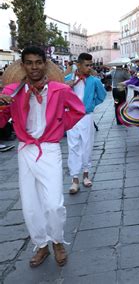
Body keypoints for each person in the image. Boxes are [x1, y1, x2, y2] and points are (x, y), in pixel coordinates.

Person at [0, 46, 85, 267]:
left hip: (49, 148)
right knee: (30, 204)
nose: (34, 67)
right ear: (23, 65)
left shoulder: (59, 89)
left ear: (45, 64)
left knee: (54, 203)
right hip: (25, 150)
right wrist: (1, 106)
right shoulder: (11, 91)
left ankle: (57, 241)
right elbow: (1, 121)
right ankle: (41, 245)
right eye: (29, 62)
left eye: (38, 62)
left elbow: (78, 111)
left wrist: (58, 127)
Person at [65, 53, 106, 193]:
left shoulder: (94, 81)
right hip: (71, 116)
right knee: (73, 146)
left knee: (87, 144)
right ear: (79, 64)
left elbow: (102, 95)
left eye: (91, 65)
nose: (89, 68)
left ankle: (86, 174)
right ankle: (74, 179)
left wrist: (90, 106)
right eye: (87, 65)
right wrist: (67, 87)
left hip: (86, 116)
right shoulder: (67, 79)